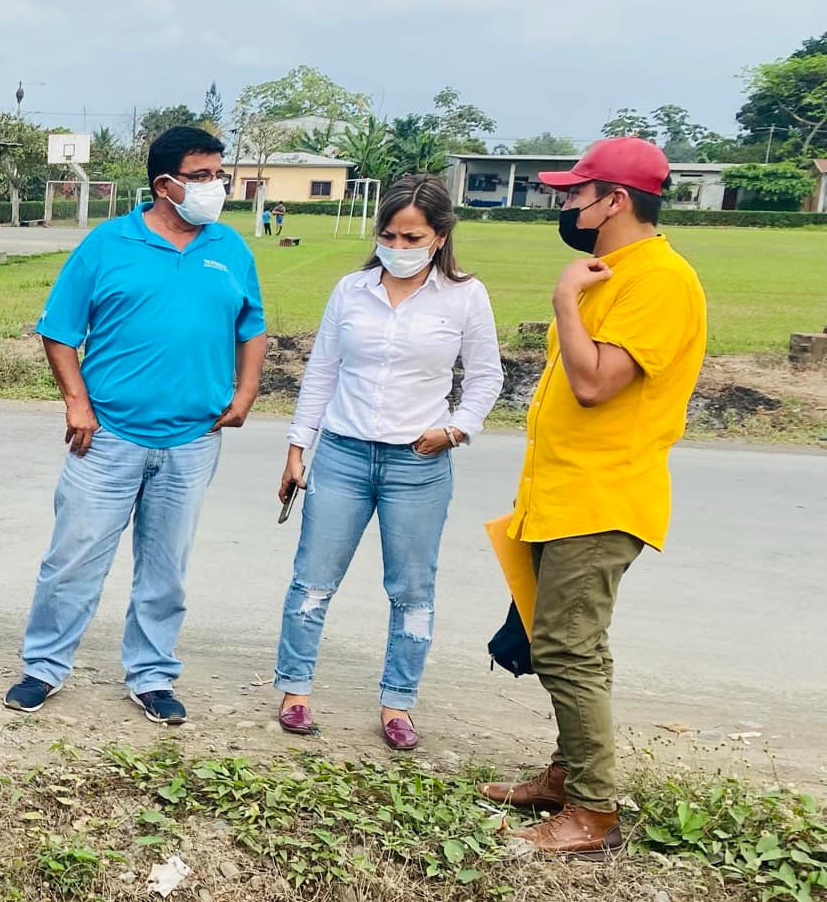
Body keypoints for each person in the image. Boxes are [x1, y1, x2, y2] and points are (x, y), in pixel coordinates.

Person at [480, 137, 707, 856]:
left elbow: (595, 383)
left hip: (603, 494)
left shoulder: (661, 281)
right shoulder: (612, 274)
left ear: (615, 200)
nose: (565, 204)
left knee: (567, 647)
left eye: (575, 193)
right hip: (562, 490)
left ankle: (593, 812)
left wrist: (564, 301)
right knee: (569, 642)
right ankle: (568, 773)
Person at [5, 125, 267, 722]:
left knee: (166, 569)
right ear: (164, 184)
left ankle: (152, 676)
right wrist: (77, 402)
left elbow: (251, 326)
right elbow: (59, 330)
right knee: (73, 559)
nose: (214, 186)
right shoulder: (107, 244)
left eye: (218, 175)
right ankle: (43, 666)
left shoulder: (229, 248)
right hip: (108, 436)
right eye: (201, 176)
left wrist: (247, 390)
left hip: (193, 439)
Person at [272, 176, 503, 748]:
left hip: (417, 463)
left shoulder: (465, 296)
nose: (398, 248)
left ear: (440, 235)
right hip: (343, 455)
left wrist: (455, 430)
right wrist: (298, 449)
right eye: (389, 236)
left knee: (412, 589)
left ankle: (398, 702)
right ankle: (295, 690)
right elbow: (322, 372)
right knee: (313, 579)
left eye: (412, 237)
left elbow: (486, 376)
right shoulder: (351, 290)